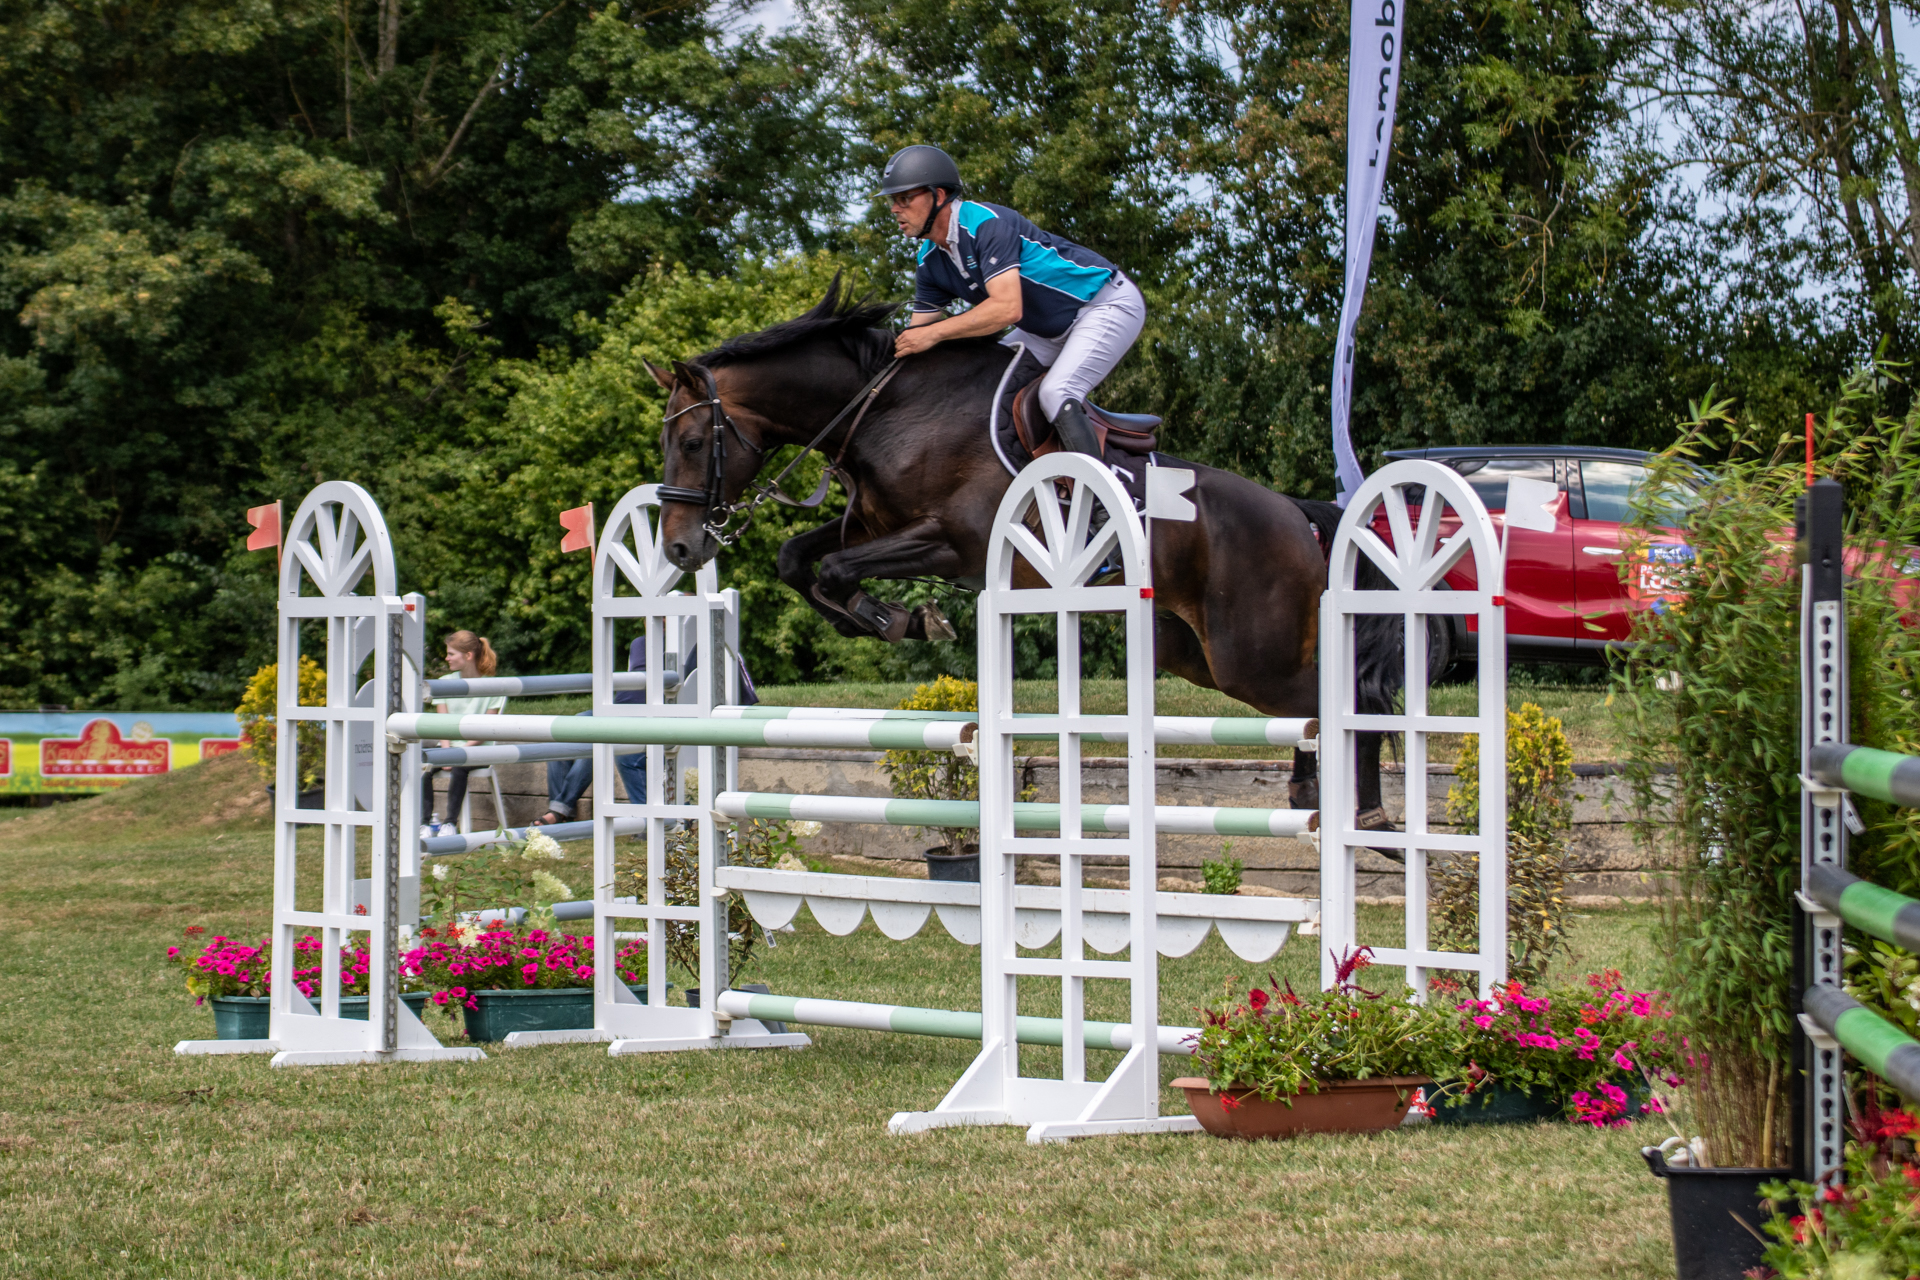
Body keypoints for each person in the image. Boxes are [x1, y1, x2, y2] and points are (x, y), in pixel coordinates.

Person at [879, 144, 1146, 458]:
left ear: (938, 195)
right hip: (1045, 331)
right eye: (893, 201)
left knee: (1056, 392)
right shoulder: (929, 260)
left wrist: (934, 333)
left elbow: (1007, 308)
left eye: (904, 199)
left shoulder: (985, 224)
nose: (894, 209)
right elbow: (916, 338)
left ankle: (1095, 488)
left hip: (1104, 305)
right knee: (985, 380)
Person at [531, 640, 759, 826]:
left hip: (650, 717)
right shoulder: (639, 643)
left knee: (599, 740)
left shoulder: (698, 641)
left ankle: (559, 812)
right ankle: (561, 810)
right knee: (567, 730)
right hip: (616, 711)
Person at [421, 631, 506, 837]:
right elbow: (442, 725)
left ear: (468, 655)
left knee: (460, 767)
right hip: (448, 748)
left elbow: (486, 731)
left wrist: (457, 753)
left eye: (451, 654)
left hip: (479, 750)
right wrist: (447, 751)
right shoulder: (443, 683)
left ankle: (450, 823)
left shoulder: (493, 685)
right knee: (423, 765)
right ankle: (424, 824)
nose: (446, 658)